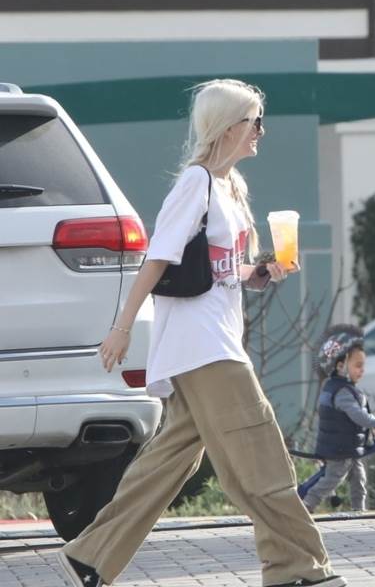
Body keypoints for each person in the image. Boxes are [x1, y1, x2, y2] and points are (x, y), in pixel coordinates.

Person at [57, 80, 345, 587]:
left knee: (172, 462)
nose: (261, 130)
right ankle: (299, 569)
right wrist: (122, 327)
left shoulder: (230, 186)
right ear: (228, 126)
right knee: (261, 457)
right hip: (205, 347)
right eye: (254, 120)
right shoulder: (196, 183)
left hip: (211, 340)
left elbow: (217, 271)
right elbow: (159, 257)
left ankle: (91, 555)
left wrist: (260, 273)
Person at [302, 325, 375, 513]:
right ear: (341, 366)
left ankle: (359, 510)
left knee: (359, 479)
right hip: (339, 449)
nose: (362, 370)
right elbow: (357, 415)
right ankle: (307, 504)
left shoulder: (342, 388)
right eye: (358, 366)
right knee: (332, 479)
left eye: (363, 366)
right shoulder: (342, 392)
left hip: (349, 448)